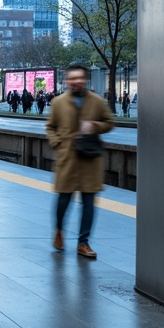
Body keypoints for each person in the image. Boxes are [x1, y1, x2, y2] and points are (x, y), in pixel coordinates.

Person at [46, 64, 115, 260]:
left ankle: (83, 243)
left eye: (79, 78)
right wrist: (56, 142)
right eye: (72, 78)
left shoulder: (97, 101)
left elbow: (109, 122)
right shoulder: (58, 102)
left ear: (86, 79)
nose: (76, 81)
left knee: (89, 203)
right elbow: (50, 127)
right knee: (63, 201)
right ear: (67, 81)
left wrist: (94, 126)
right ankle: (59, 230)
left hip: (90, 160)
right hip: (67, 159)